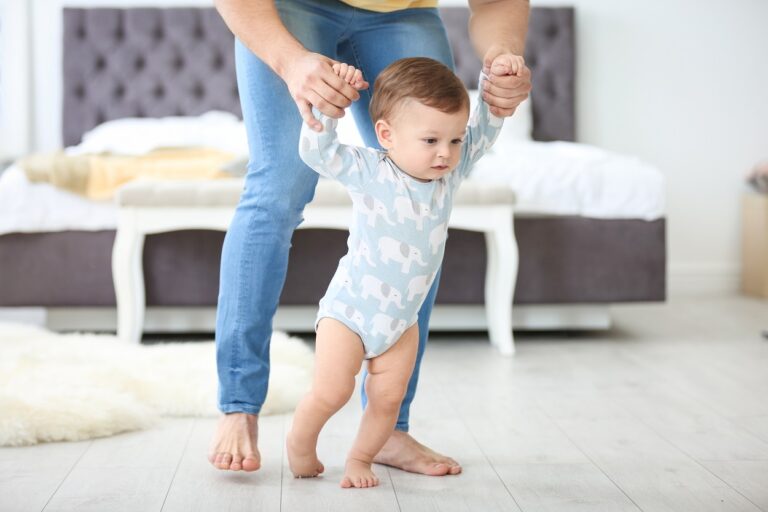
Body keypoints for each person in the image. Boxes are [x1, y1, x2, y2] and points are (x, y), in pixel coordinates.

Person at [209, 0, 532, 476]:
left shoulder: (455, 158)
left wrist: (503, 60)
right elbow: (323, 150)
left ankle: (389, 431)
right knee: (278, 188)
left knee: (426, 189)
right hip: (288, 8)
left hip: (403, 11)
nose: (449, 154)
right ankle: (239, 405)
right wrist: (292, 64)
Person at [287, 55, 521, 488]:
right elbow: (315, 151)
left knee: (388, 400)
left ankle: (361, 459)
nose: (445, 153)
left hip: (401, 320)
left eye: (453, 141)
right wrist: (328, 108)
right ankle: (300, 445)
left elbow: (484, 134)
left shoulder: (449, 174)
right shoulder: (371, 171)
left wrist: (494, 80)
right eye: (431, 140)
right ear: (386, 135)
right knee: (333, 391)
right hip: (350, 312)